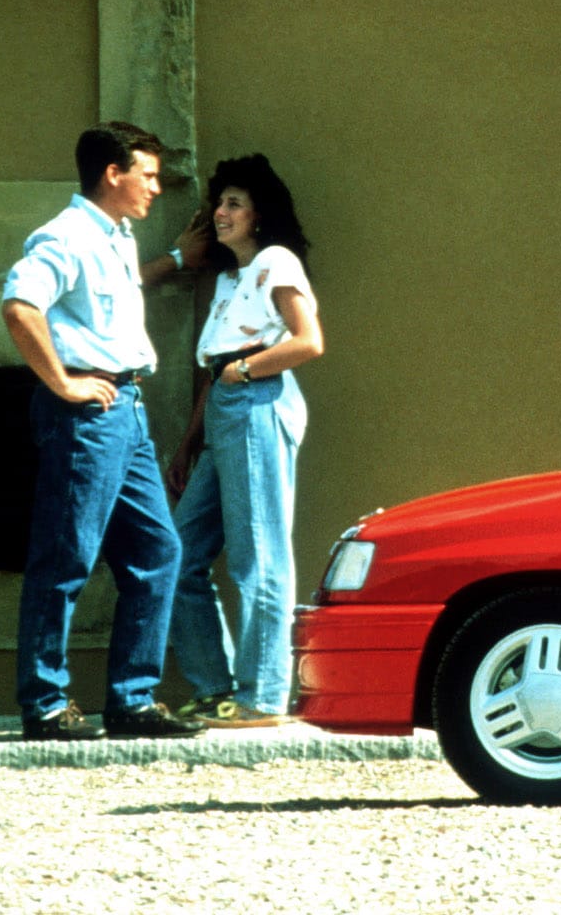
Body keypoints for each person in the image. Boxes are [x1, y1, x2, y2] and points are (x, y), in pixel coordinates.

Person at [1, 121, 210, 741]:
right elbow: (20, 306)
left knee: (157, 551)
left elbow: (111, 300)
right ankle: (43, 704)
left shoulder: (116, 236)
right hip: (86, 413)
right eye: (146, 174)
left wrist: (173, 259)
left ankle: (132, 701)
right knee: (65, 556)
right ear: (112, 174)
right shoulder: (65, 236)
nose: (155, 186)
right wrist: (64, 384)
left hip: (128, 411)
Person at [167, 154, 323, 728]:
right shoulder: (230, 282)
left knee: (260, 555)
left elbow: (308, 341)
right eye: (220, 203)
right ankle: (215, 687)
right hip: (224, 409)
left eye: (234, 203)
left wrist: (244, 371)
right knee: (179, 555)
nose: (221, 212)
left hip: (256, 400)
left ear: (260, 215)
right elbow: (214, 366)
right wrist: (189, 441)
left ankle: (263, 695)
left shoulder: (276, 262)